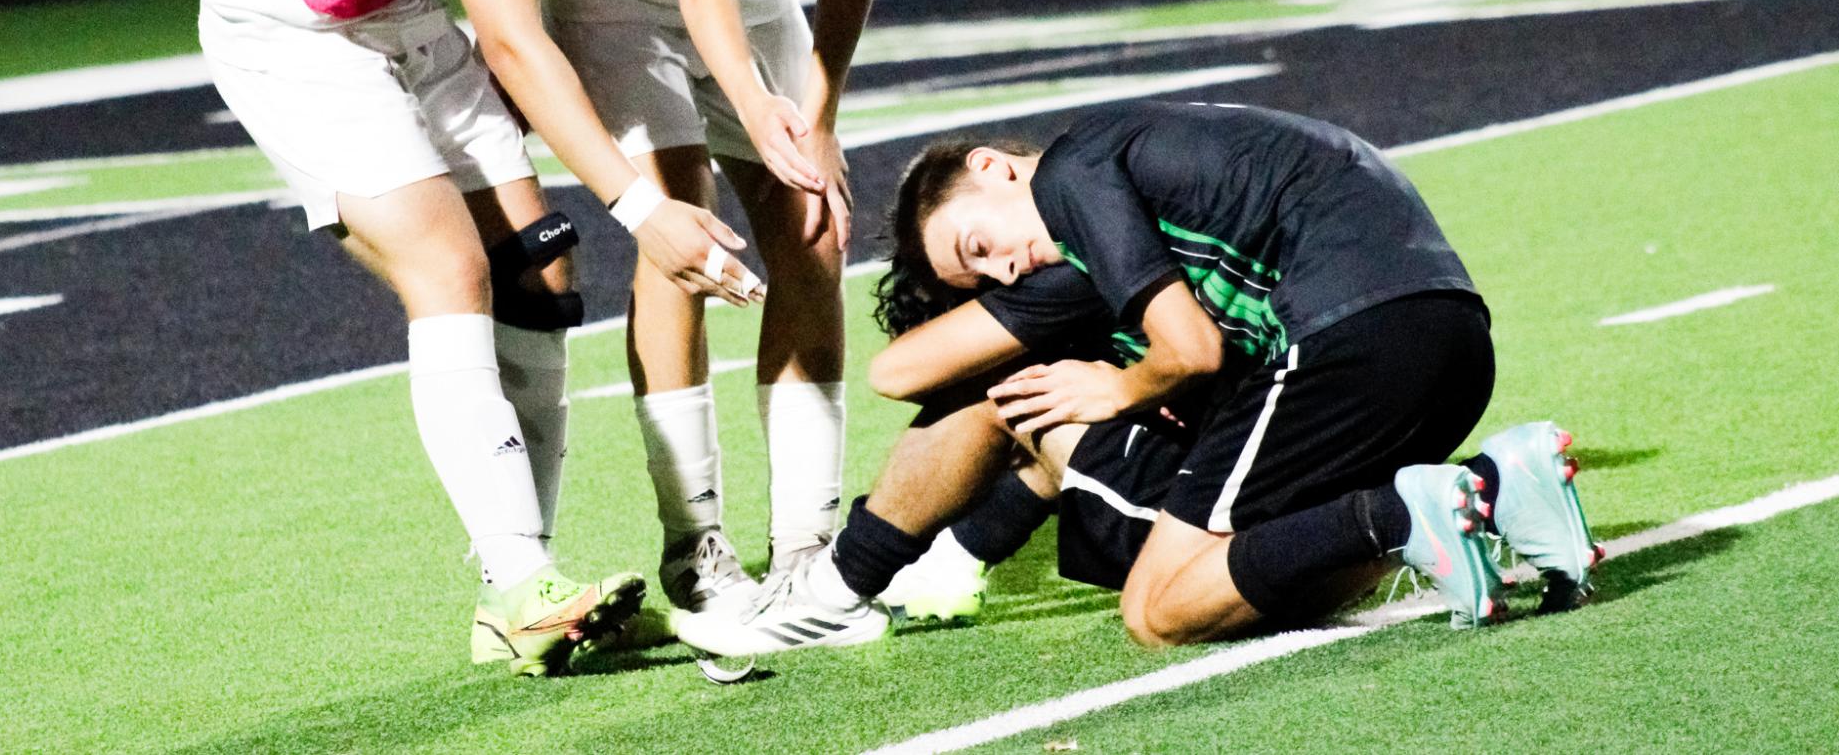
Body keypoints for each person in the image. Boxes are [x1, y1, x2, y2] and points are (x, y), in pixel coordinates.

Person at [198, 0, 765, 678]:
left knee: (540, 276)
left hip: (388, 3)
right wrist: (642, 204)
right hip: (291, 26)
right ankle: (518, 586)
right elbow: (511, 36)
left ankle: (533, 593)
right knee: (451, 269)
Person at [675, 102, 1600, 656]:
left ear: (994, 167)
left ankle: (1413, 510)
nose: (1006, 269)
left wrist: (1117, 386)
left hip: (1346, 338)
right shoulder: (1141, 174)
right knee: (1260, 569)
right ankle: (1481, 491)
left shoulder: (1074, 175)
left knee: (1158, 611)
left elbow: (1186, 352)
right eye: (984, 275)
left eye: (981, 245)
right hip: (1445, 336)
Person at [530, 0, 932, 610]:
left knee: (813, 227)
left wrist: (821, 110)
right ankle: (696, 544)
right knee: (684, 222)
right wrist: (763, 115)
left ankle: (808, 549)